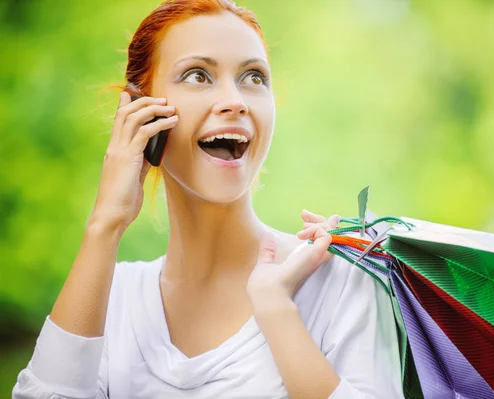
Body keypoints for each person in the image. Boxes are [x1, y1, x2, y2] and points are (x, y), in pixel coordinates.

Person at [12, 0, 402, 398]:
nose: (236, 101)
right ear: (140, 114)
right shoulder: (110, 300)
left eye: (253, 77)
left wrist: (278, 312)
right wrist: (105, 225)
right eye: (198, 75)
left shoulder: (340, 281)